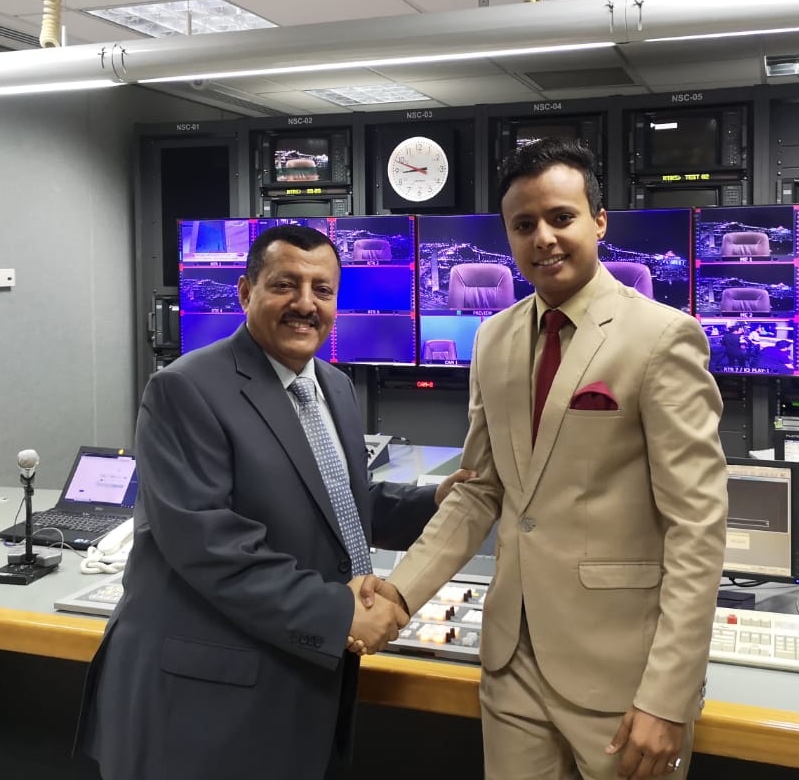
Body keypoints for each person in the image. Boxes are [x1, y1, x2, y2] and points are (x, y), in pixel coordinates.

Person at [371, 138, 728, 780]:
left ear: (599, 220)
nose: (544, 238)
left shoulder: (662, 337)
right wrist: (399, 592)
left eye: (561, 217)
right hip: (511, 663)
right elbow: (481, 490)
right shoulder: (493, 338)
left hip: (621, 675)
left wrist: (668, 694)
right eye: (524, 224)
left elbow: (696, 527)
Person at [77, 224, 470, 780]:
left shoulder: (333, 385)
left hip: (296, 682)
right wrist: (341, 614)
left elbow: (339, 501)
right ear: (246, 292)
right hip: (205, 702)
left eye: (322, 290)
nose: (305, 304)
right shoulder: (185, 388)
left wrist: (435, 501)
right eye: (285, 285)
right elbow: (209, 543)